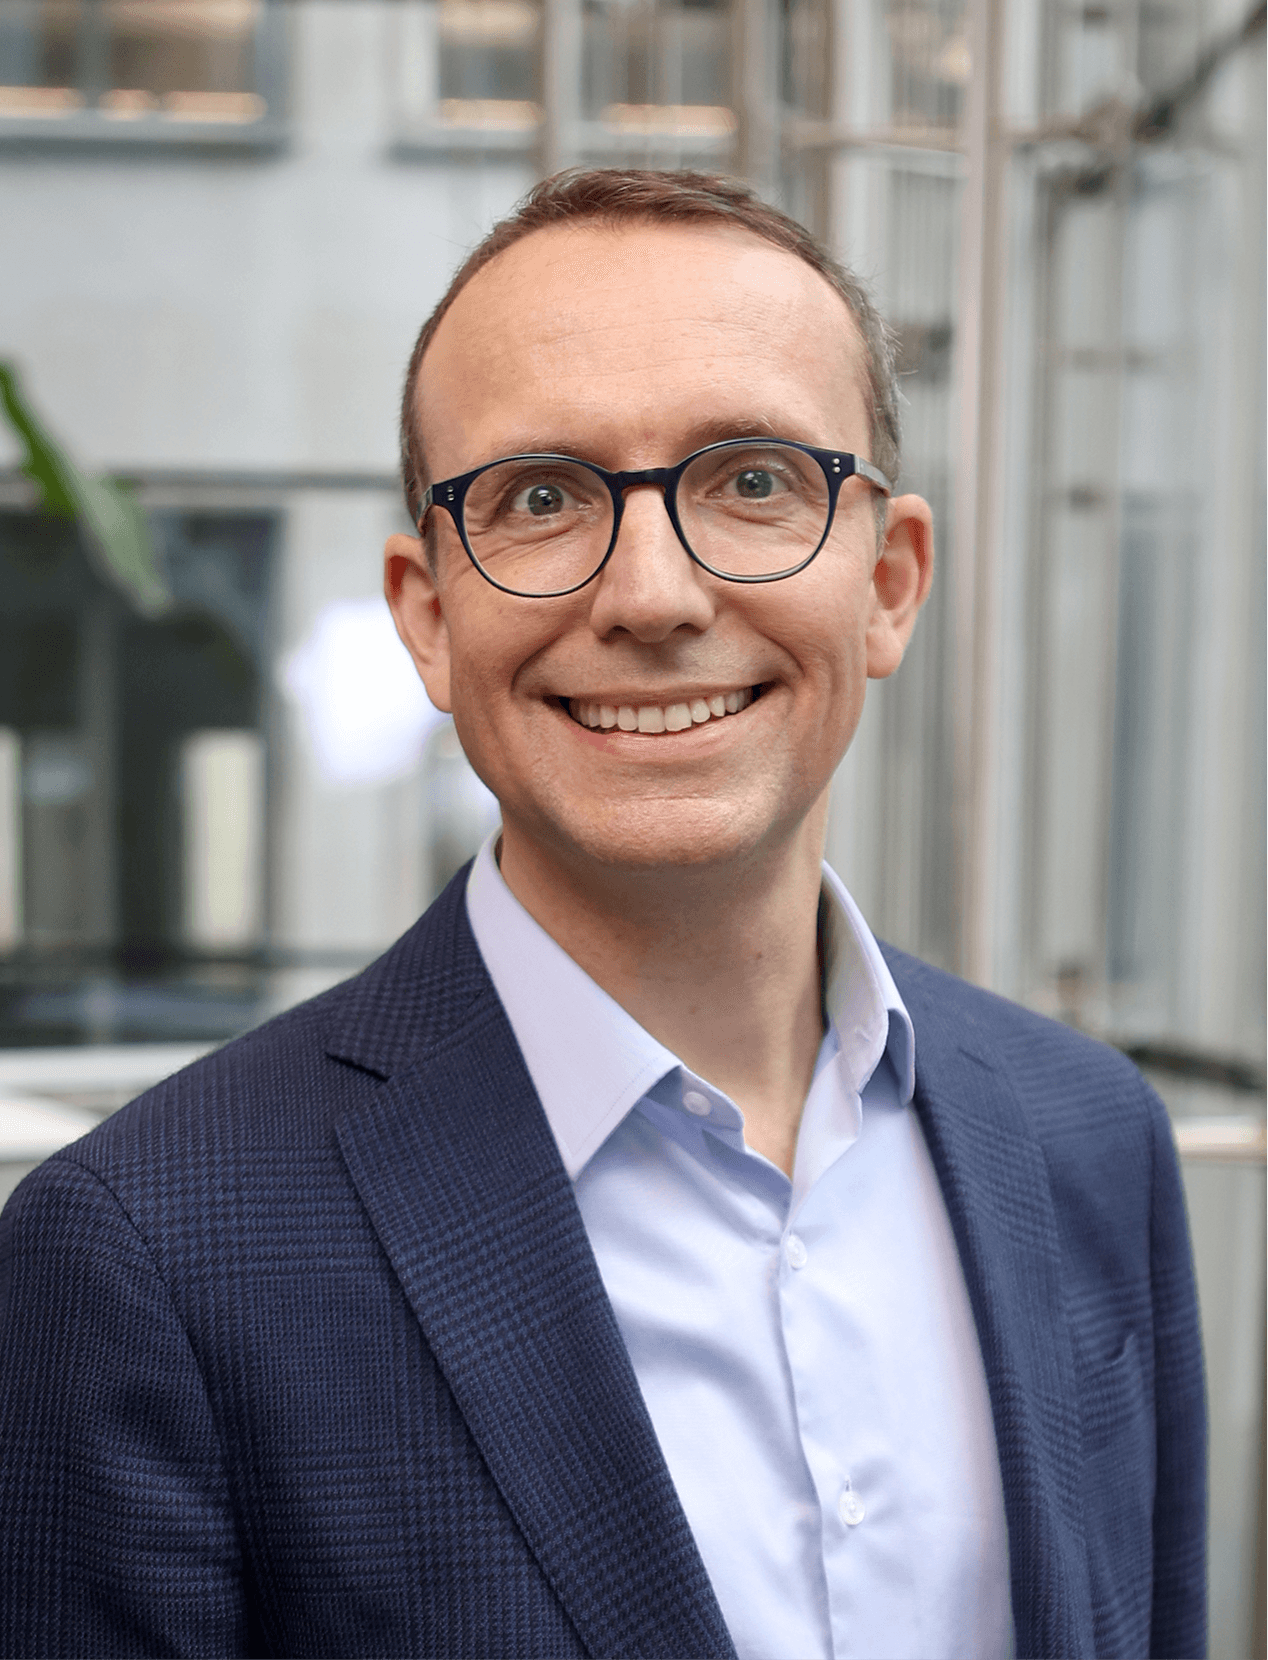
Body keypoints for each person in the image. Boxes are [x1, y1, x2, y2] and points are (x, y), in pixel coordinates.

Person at [0, 169, 1205, 1659]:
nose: (651, 595)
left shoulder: (1091, 1138)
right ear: (428, 615)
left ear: (889, 583)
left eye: (752, 481)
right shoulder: (146, 1252)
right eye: (541, 498)